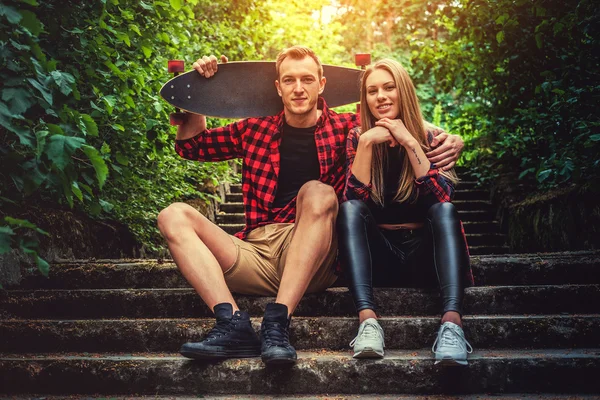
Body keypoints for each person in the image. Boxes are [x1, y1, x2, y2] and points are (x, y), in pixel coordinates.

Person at [157, 46, 465, 365]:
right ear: (278, 87)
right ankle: (233, 324)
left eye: (307, 79)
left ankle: (277, 322)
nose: (299, 88)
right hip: (256, 250)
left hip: (315, 255)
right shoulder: (255, 129)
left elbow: (393, 117)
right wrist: (199, 93)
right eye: (289, 80)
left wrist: (448, 136)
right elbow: (192, 146)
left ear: (322, 84)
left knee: (317, 191)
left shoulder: (347, 128)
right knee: (173, 215)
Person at [337, 58, 475, 366]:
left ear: (404, 91)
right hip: (380, 258)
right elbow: (353, 197)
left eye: (389, 87)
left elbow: (440, 197)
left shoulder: (432, 138)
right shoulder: (357, 138)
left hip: (426, 259)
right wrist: (366, 144)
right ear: (366, 100)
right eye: (372, 91)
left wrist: (410, 141)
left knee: (445, 212)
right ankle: (368, 322)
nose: (381, 96)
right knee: (348, 210)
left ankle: (452, 324)